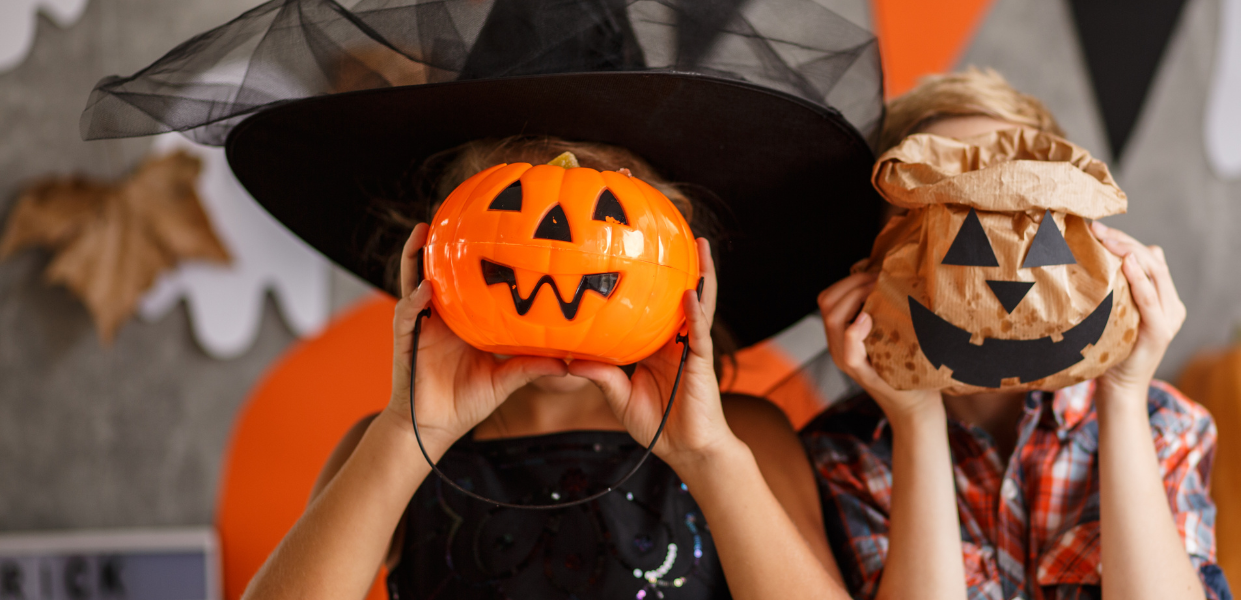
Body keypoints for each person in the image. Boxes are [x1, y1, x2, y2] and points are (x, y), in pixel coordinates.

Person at [78, 0, 887, 598]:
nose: (561, 251)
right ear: (434, 255)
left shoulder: (740, 438)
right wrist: (407, 434)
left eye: (611, 213)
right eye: (511, 210)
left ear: (681, 261)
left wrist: (708, 459)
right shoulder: (393, 450)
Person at [802, 68, 1232, 600]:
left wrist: (1122, 392)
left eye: (1026, 223)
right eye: (958, 225)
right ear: (879, 256)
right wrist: (914, 421)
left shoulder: (1166, 423)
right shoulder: (845, 452)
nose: (1004, 285)